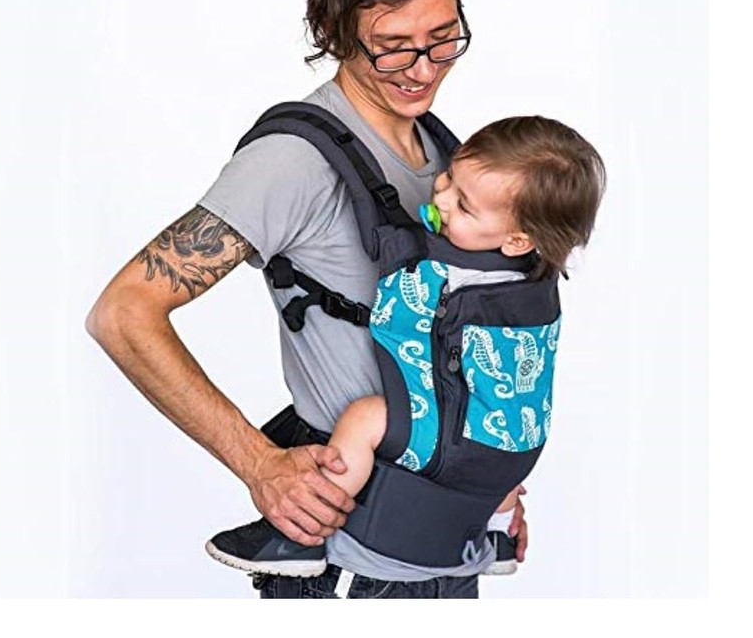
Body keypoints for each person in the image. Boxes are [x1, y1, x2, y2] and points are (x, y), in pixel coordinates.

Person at [86, 0, 533, 599]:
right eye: (393, 45)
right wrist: (260, 463)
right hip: (349, 560)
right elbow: (123, 312)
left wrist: (487, 486)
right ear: (332, 29)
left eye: (443, 37)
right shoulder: (294, 160)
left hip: (442, 549)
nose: (422, 68)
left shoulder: (450, 156)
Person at [203, 114, 606, 580]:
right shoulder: (534, 275)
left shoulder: (453, 273)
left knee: (364, 418)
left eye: (464, 206)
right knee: (494, 441)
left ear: (517, 239)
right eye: (449, 177)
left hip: (456, 447)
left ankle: (302, 534)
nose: (441, 199)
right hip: (517, 449)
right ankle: (496, 537)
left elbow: (403, 308)